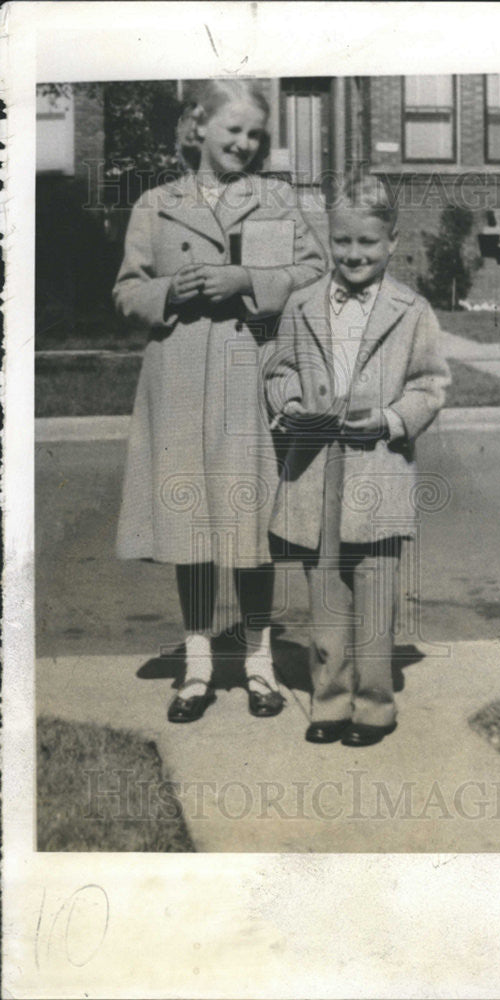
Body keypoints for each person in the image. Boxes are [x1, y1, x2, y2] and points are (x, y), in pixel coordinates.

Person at [113, 79, 327, 723]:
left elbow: (315, 271)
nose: (244, 143)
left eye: (257, 135)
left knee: (247, 519)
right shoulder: (157, 202)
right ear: (196, 126)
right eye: (233, 129)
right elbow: (126, 291)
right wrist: (170, 293)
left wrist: (248, 280)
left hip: (247, 372)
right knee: (192, 524)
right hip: (178, 375)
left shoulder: (277, 199)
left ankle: (259, 662)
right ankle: (198, 666)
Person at [265, 175, 451, 747]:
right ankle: (330, 701)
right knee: (326, 594)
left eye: (368, 243)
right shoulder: (302, 304)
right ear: (329, 239)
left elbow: (430, 384)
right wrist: (290, 401)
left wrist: (393, 420)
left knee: (374, 595)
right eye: (342, 241)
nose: (354, 255)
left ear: (392, 241)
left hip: (378, 467)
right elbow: (279, 368)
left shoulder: (411, 310)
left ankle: (374, 707)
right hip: (317, 464)